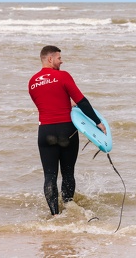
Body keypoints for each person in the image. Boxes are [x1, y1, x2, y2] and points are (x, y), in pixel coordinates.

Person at [28, 45, 106, 215]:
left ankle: (55, 214)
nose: (61, 61)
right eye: (59, 58)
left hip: (45, 132)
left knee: (49, 175)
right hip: (66, 131)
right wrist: (98, 122)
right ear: (50, 59)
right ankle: (69, 208)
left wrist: (65, 104)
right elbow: (82, 101)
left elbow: (46, 103)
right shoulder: (63, 76)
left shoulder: (32, 81)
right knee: (68, 172)